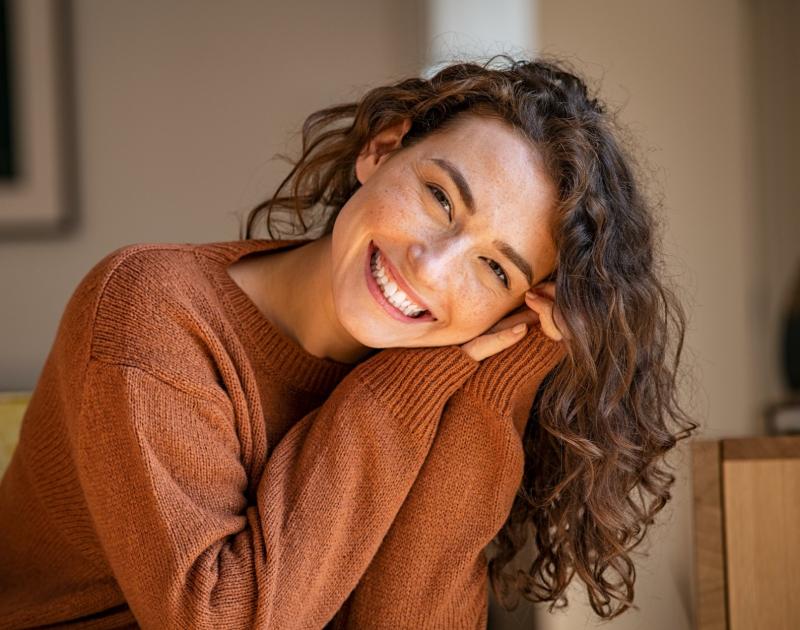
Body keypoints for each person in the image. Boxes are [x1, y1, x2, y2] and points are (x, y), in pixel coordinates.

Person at [0, 57, 694, 629]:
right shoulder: (152, 307)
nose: (431, 268)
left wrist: (498, 380)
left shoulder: (451, 370)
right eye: (440, 198)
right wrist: (401, 388)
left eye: (494, 269)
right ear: (381, 150)